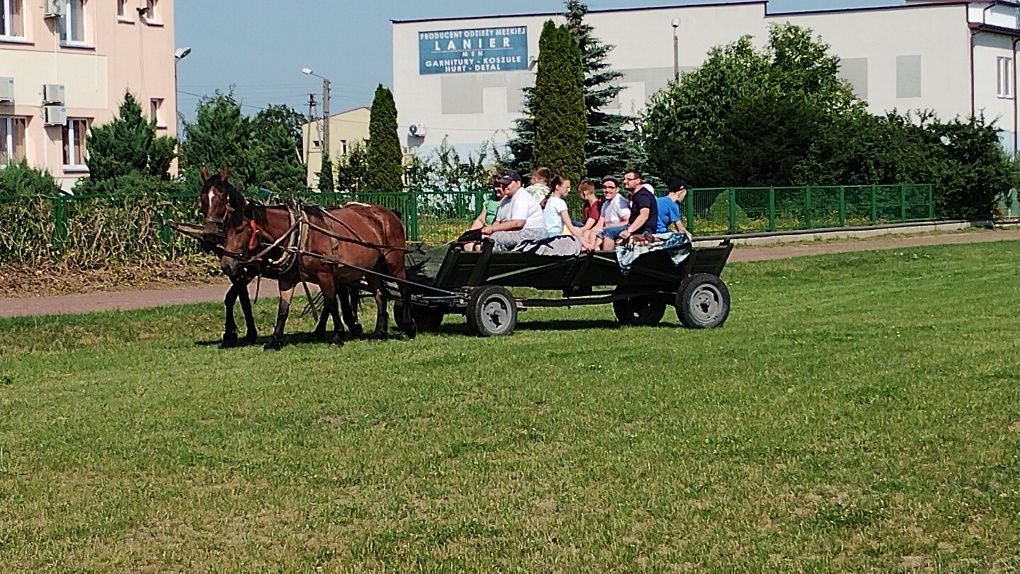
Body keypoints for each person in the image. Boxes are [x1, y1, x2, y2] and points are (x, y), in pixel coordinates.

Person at [474, 169, 546, 251]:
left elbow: (518, 223)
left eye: (508, 183)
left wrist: (492, 229)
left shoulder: (521, 196)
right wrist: (488, 231)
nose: (505, 186)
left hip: (533, 232)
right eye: (503, 184)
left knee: (495, 239)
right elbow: (497, 222)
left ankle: (493, 262)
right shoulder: (504, 201)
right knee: (485, 238)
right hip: (519, 232)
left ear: (518, 183)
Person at [616, 169, 659, 246]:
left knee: (608, 232)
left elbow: (644, 215)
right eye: (624, 179)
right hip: (637, 229)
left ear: (638, 181)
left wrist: (629, 231)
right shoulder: (636, 195)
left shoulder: (643, 196)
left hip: (644, 232)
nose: (625, 182)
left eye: (628, 179)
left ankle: (607, 255)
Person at [590, 174, 631, 250]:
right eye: (604, 187)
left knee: (606, 232)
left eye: (611, 187)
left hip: (614, 233)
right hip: (605, 231)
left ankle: (605, 256)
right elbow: (599, 224)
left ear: (617, 189)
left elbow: (627, 221)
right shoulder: (606, 204)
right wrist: (590, 232)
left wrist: (609, 227)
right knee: (590, 233)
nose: (607, 190)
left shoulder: (619, 201)